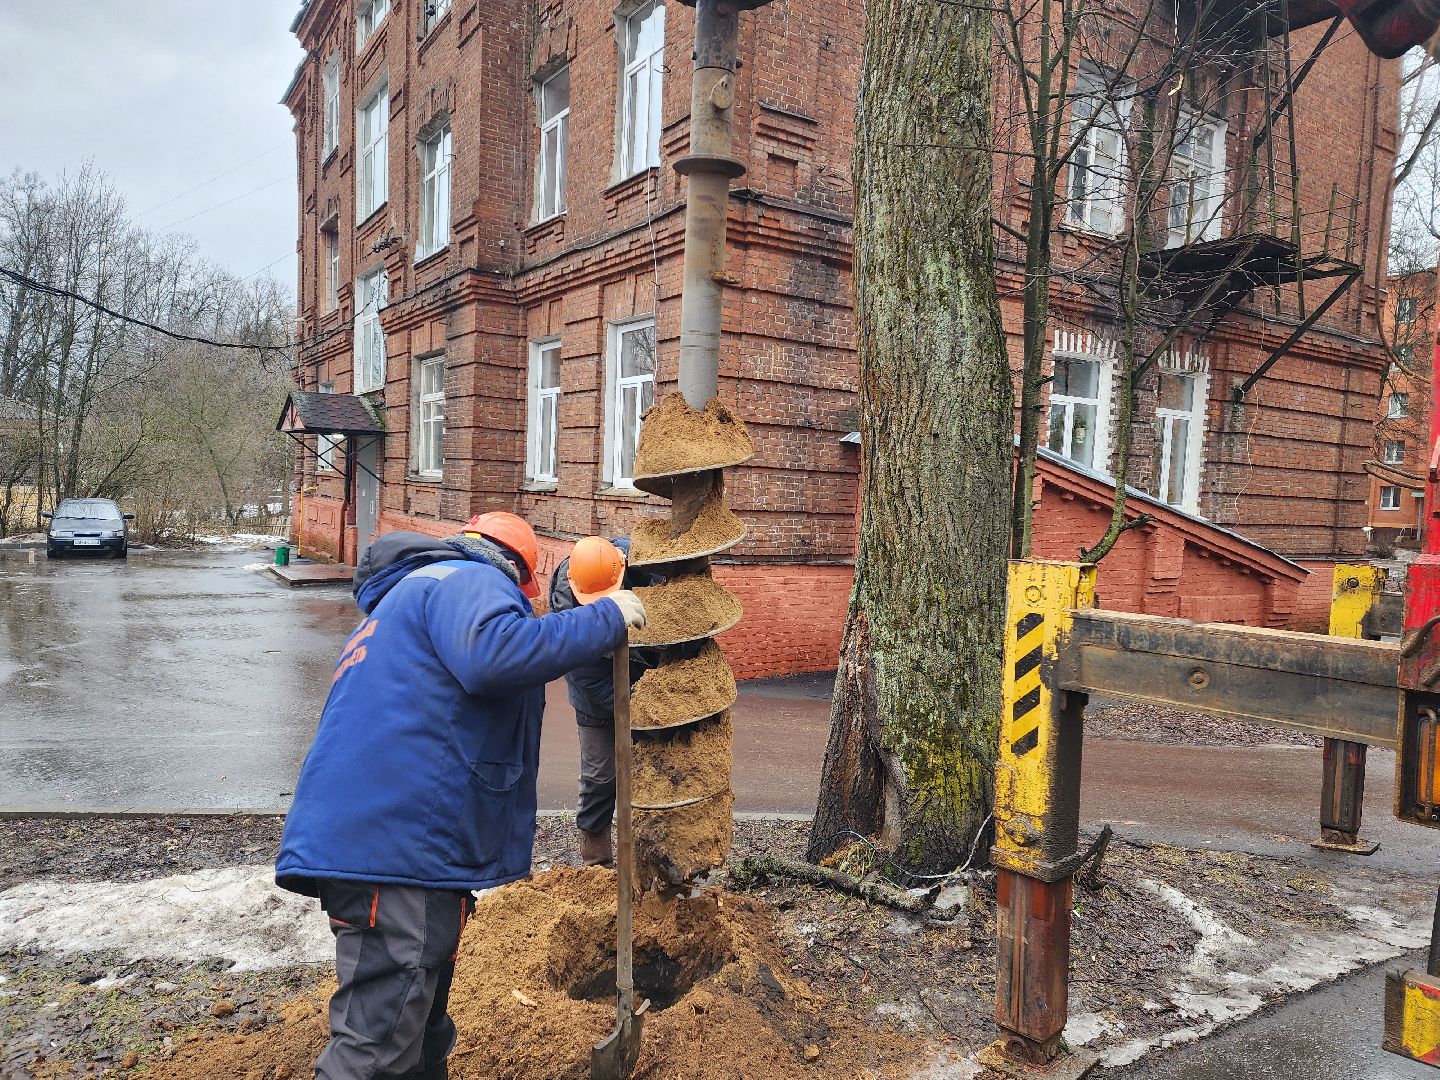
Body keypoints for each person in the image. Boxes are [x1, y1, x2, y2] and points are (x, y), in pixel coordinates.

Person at [275, 512, 647, 1080]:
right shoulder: (465, 579)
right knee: (376, 1045)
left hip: (389, 842)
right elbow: (496, 654)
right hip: (396, 846)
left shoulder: (409, 599)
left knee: (418, 1028)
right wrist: (604, 618)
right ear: (518, 571)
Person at [547, 536, 661, 867]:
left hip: (646, 689)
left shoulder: (640, 567)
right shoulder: (567, 615)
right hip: (597, 702)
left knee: (651, 774)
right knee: (601, 777)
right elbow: (593, 685)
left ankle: (652, 858)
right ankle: (595, 856)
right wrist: (642, 707)